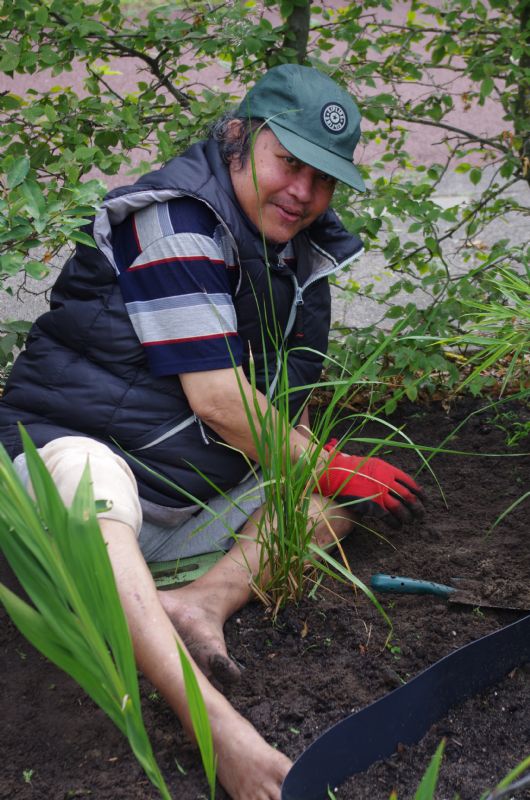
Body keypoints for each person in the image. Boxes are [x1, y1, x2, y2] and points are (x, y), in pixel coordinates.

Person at [0, 64, 424, 799]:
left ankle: (200, 601)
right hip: (65, 468)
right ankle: (219, 731)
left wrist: (324, 467)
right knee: (93, 481)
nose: (304, 192)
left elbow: (287, 404)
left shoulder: (300, 253)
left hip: (185, 498)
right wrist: (326, 461)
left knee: (331, 503)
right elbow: (221, 401)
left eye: (323, 178)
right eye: (288, 162)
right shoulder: (174, 220)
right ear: (237, 138)